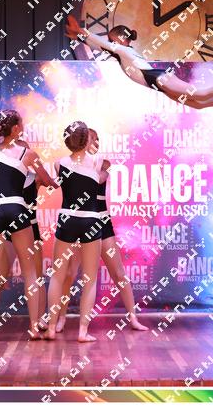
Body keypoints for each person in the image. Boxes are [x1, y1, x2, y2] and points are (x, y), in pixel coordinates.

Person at [0, 110, 58, 342]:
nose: (23, 126)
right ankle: (34, 327)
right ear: (15, 128)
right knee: (30, 273)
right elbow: (48, 182)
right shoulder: (28, 154)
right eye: (21, 123)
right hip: (17, 208)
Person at [54, 128, 148, 333]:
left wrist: (94, 157)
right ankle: (60, 318)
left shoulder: (98, 162)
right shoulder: (72, 163)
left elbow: (105, 168)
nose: (95, 142)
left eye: (97, 139)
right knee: (69, 273)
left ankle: (133, 317)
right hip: (80, 221)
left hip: (101, 222)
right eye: (91, 139)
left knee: (118, 272)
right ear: (82, 140)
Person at [64, 15, 213, 110]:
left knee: (200, 94)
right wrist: (79, 37)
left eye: (112, 39)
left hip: (159, 79)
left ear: (120, 39)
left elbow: (102, 44)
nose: (110, 42)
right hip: (157, 84)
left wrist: (81, 31)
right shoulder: (120, 53)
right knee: (197, 104)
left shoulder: (123, 50)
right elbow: (100, 46)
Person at [44, 121, 108, 342]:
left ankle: (51, 327)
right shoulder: (97, 161)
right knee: (89, 279)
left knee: (57, 276)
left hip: (67, 219)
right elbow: (103, 172)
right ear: (86, 139)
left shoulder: (59, 163)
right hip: (91, 219)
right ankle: (82, 332)